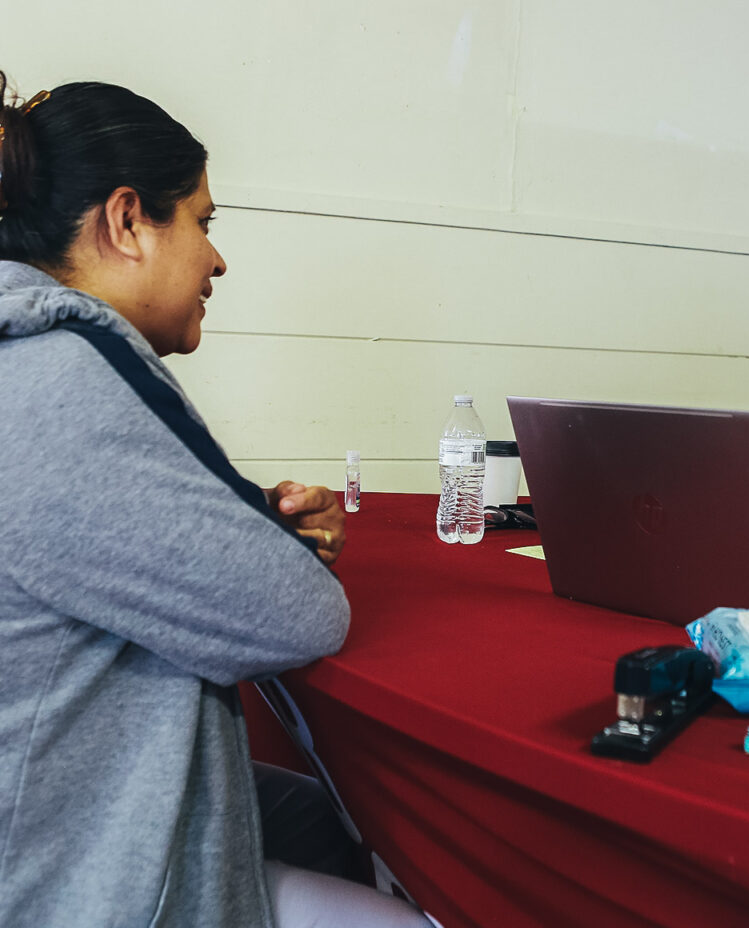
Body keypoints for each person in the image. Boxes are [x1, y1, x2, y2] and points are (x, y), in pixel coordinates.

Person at [0, 74, 429, 927]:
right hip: (64, 874)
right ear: (127, 222)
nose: (217, 259)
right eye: (201, 222)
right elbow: (295, 616)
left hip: (45, 796)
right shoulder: (60, 377)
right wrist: (284, 550)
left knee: (314, 816)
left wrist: (255, 522)